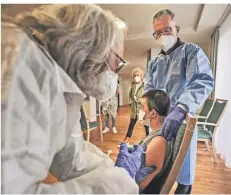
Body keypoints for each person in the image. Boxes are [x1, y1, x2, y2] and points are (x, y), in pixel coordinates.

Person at [1, 4, 143, 193]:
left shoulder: (62, 87)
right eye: (117, 62)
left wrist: (114, 170)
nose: (115, 74)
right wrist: (112, 186)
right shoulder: (23, 68)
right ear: (93, 47)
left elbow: (71, 157)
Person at [145, 8, 214, 194]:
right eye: (158, 32)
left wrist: (181, 107)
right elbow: (148, 90)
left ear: (177, 29)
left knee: (183, 178)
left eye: (167, 29)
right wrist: (150, 109)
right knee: (157, 174)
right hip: (159, 126)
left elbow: (202, 81)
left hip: (182, 122)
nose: (163, 35)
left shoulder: (190, 52)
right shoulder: (154, 63)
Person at [123, 68, 149, 144]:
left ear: (141, 76)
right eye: (134, 75)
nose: (136, 77)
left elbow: (147, 97)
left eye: (137, 75)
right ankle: (126, 141)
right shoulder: (133, 85)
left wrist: (141, 100)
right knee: (131, 124)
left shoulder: (145, 85)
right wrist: (131, 102)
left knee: (146, 125)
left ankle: (148, 140)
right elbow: (130, 95)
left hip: (142, 108)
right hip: (134, 108)